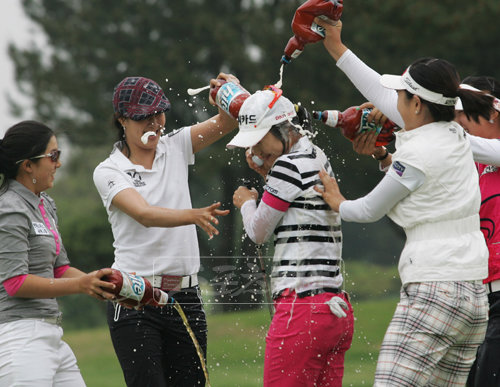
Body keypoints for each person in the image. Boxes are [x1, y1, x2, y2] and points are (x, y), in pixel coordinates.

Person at [313, 17, 498, 387]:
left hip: (434, 289)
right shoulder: (458, 138)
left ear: (415, 103)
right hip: (475, 300)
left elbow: (368, 210)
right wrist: (336, 47)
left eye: (400, 96)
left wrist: (337, 201)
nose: (391, 103)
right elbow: (384, 98)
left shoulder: (418, 153)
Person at [93, 74, 238, 386]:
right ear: (122, 120)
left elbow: (229, 122)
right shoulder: (108, 171)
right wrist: (192, 215)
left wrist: (228, 92)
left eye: (159, 114)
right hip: (134, 297)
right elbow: (144, 214)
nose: (155, 123)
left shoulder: (176, 146)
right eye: (143, 117)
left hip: (186, 297)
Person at [229, 87, 354, 387]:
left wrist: (247, 201)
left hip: (301, 310)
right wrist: (267, 175)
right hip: (334, 311)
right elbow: (294, 201)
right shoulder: (317, 155)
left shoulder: (285, 167)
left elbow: (258, 231)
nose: (256, 152)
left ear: (283, 128)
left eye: (260, 141)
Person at [0, 120, 115, 386]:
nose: (58, 163)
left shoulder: (45, 204)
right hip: (20, 338)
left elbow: (60, 268)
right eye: (53, 156)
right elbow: (16, 283)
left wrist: (99, 282)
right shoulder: (9, 209)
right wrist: (81, 285)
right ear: (28, 165)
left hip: (51, 334)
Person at [454, 76, 500, 387]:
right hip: (475, 301)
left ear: (494, 110)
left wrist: (413, 123)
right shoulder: (473, 165)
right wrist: (383, 154)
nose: (459, 119)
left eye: (467, 109)